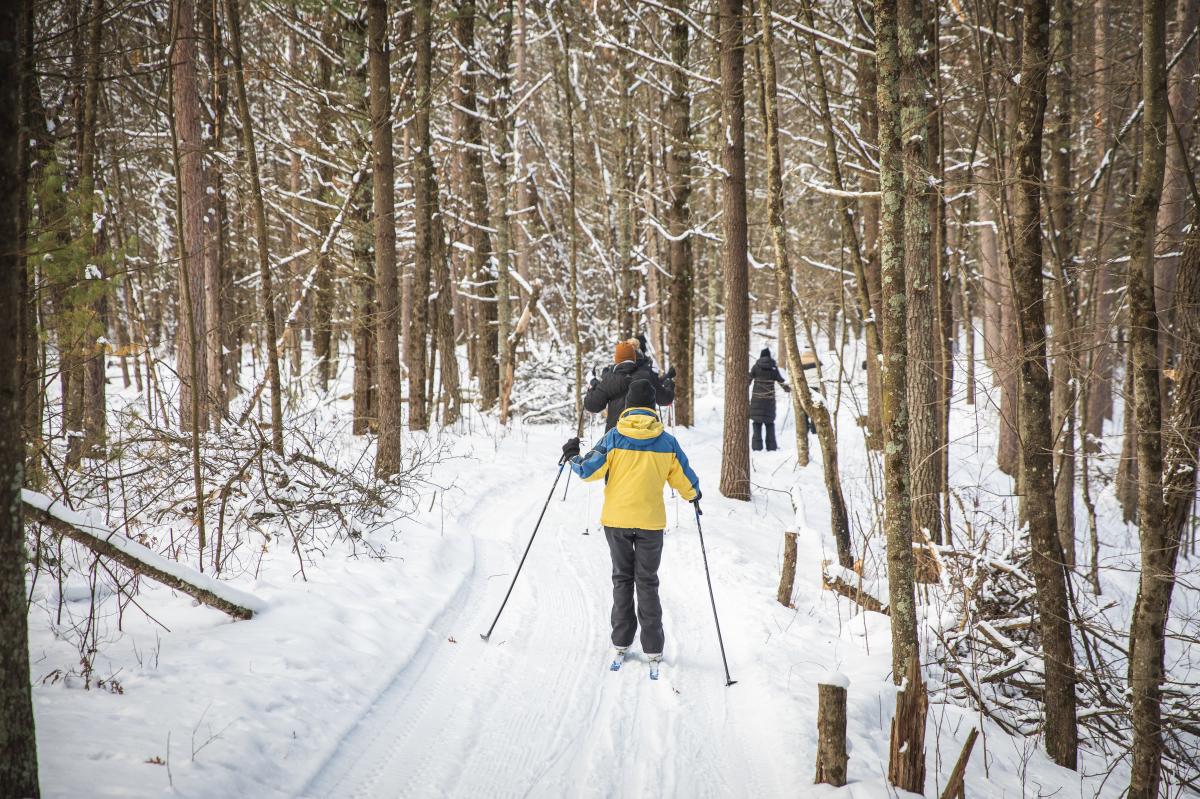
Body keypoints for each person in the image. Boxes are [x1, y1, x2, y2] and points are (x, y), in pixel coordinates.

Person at [561, 379, 700, 670]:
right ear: (652, 408)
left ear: (627, 406)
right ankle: (653, 648)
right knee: (647, 582)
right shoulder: (667, 441)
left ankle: (621, 642)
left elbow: (587, 470)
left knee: (622, 579)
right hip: (650, 523)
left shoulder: (613, 437)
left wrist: (573, 455)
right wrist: (694, 495)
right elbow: (684, 478)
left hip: (617, 521)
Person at [584, 338, 675, 431]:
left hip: (617, 435)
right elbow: (665, 399)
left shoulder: (610, 379)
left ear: (616, 359)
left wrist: (592, 387)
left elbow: (592, 405)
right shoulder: (646, 375)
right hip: (646, 433)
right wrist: (669, 385)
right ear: (634, 357)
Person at [749, 347, 791, 451]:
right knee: (769, 423)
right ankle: (771, 447)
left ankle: (757, 447)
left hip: (757, 400)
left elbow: (748, 379)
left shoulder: (756, 366)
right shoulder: (773, 368)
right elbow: (781, 381)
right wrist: (789, 389)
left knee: (757, 423)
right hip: (769, 401)